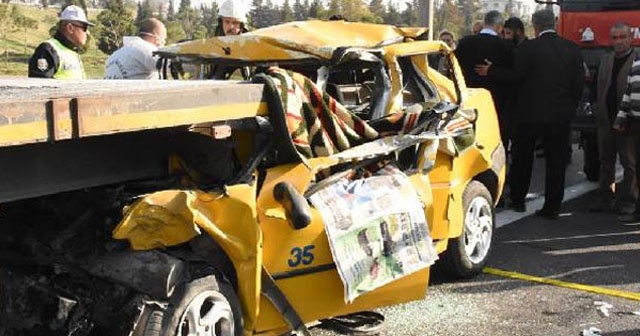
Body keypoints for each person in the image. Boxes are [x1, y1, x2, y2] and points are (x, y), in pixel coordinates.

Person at [476, 9, 584, 218]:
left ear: (535, 26)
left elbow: (515, 77)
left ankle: (518, 200)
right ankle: (553, 206)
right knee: (556, 162)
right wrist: (569, 106)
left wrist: (492, 71)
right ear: (554, 22)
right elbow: (578, 84)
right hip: (560, 115)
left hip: (529, 114)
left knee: (523, 159)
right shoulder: (571, 49)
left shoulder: (528, 49)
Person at [590, 22, 637, 214]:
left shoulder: (637, 60)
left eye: (622, 37)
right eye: (615, 38)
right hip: (605, 119)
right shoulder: (605, 59)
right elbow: (595, 87)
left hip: (629, 121)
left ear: (630, 38)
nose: (619, 41)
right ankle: (605, 198)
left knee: (629, 163)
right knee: (606, 160)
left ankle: (629, 201)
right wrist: (595, 107)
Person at [455, 11, 511, 143]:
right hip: (495, 102)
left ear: (485, 23)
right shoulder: (505, 47)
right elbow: (511, 75)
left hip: (468, 98)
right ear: (499, 27)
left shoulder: (464, 43)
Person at [613, 44, 640, 222]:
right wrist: (620, 118)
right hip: (636, 122)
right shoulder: (637, 60)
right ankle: (638, 211)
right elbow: (628, 92)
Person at [28, 5, 93, 79]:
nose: (87, 32)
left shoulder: (73, 51)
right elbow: (39, 86)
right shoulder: (47, 50)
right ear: (70, 28)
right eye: (85, 27)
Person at [209, 0, 250, 79]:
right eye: (227, 22)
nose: (231, 27)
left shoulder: (252, 50)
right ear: (221, 23)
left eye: (235, 23)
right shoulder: (213, 51)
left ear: (241, 26)